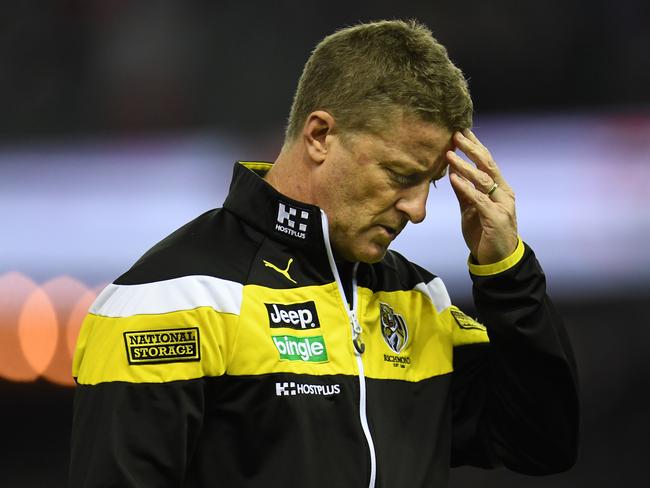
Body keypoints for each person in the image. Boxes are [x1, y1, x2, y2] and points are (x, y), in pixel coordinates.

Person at [69, 19, 578, 487]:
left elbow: (542, 444)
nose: (418, 209)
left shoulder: (419, 300)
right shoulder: (167, 300)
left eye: (432, 184)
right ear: (319, 136)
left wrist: (506, 272)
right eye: (401, 176)